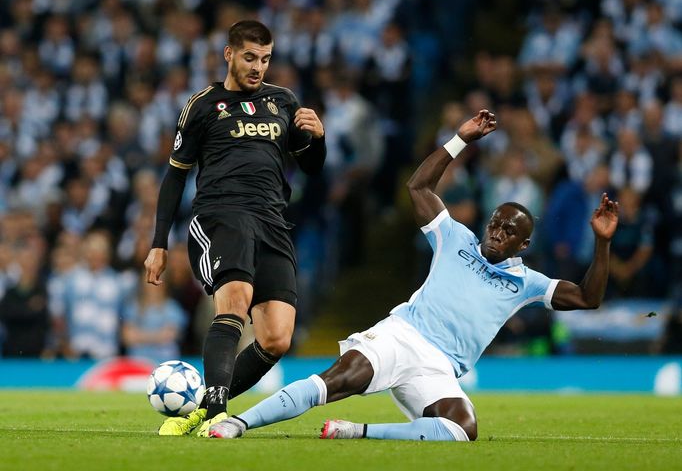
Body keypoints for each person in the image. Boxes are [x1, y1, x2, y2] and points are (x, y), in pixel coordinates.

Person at [205, 109, 619, 441]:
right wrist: (461, 140)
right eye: (495, 222)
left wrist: (601, 243)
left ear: (523, 245)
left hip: (438, 368)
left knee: (462, 428)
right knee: (341, 378)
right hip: (403, 335)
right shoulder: (455, 237)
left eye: (509, 230)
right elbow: (418, 188)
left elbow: (588, 298)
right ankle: (239, 423)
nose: (497, 231)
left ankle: (359, 432)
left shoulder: (527, 281)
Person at [144, 20, 326, 436]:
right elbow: (175, 176)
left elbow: (311, 167)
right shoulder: (203, 105)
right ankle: (213, 412)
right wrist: (159, 243)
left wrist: (319, 138)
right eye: (249, 57)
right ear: (229, 54)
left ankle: (205, 410)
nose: (258, 67)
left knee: (277, 338)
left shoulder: (283, 101)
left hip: (273, 222)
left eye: (265, 58)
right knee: (236, 302)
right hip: (220, 215)